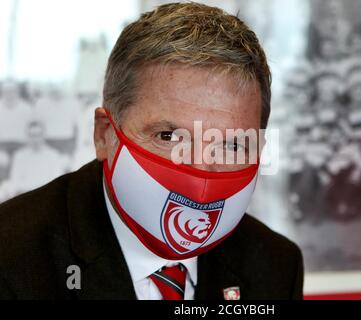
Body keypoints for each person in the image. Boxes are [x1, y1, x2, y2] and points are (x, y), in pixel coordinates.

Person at [0, 3, 303, 300]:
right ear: (105, 134)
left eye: (232, 145)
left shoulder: (275, 266)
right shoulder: (11, 258)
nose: (200, 172)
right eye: (169, 136)